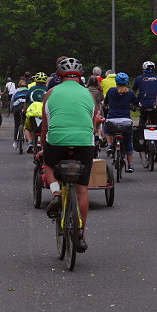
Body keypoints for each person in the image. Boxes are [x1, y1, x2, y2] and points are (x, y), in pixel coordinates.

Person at [36, 57, 100, 252]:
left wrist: (42, 148)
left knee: (47, 163)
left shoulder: (50, 93)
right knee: (81, 188)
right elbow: (92, 124)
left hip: (56, 140)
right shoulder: (90, 95)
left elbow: (45, 128)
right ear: (81, 77)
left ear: (58, 76)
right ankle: (80, 233)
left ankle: (55, 192)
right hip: (83, 142)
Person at [104, 72, 138, 173]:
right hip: (126, 121)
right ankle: (130, 165)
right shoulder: (130, 93)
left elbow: (106, 102)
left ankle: (110, 145)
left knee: (106, 129)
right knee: (128, 141)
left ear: (116, 82)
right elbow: (136, 102)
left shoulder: (111, 91)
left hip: (112, 120)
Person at [23, 72, 48, 153]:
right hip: (44, 113)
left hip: (33, 113)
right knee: (46, 129)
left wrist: (24, 111)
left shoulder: (31, 89)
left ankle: (30, 142)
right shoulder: (48, 90)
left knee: (27, 128)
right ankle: (43, 143)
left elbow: (26, 102)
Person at [132, 61, 157, 129]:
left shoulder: (138, 78)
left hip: (143, 104)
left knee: (142, 120)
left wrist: (134, 103)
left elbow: (133, 92)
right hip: (155, 104)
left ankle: (140, 136)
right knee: (156, 122)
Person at [86, 76, 105, 145]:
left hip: (88, 109)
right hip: (98, 109)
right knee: (99, 123)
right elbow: (102, 99)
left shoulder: (86, 90)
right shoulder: (99, 90)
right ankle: (100, 136)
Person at [10, 79, 29, 148]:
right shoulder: (28, 90)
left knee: (17, 124)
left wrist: (11, 109)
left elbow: (12, 101)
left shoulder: (16, 91)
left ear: (18, 85)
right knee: (26, 123)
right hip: (26, 107)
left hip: (17, 107)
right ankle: (28, 139)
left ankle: (15, 142)